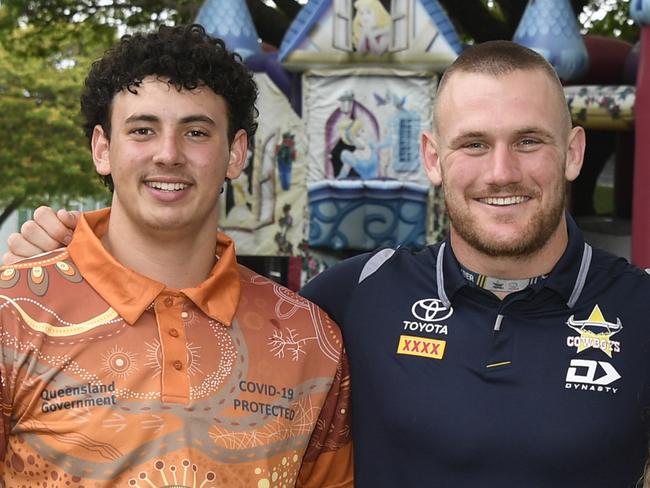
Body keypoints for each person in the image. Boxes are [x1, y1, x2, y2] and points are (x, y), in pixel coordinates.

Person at [6, 40, 650, 488]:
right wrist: (50, 269)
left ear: (572, 152)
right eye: (473, 144)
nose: (501, 171)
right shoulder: (351, 299)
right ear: (432, 158)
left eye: (529, 142)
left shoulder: (643, 312)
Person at [0, 24, 352, 486]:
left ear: (235, 153)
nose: (168, 154)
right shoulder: (12, 314)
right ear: (103, 149)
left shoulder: (310, 339)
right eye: (143, 130)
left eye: (197, 132)